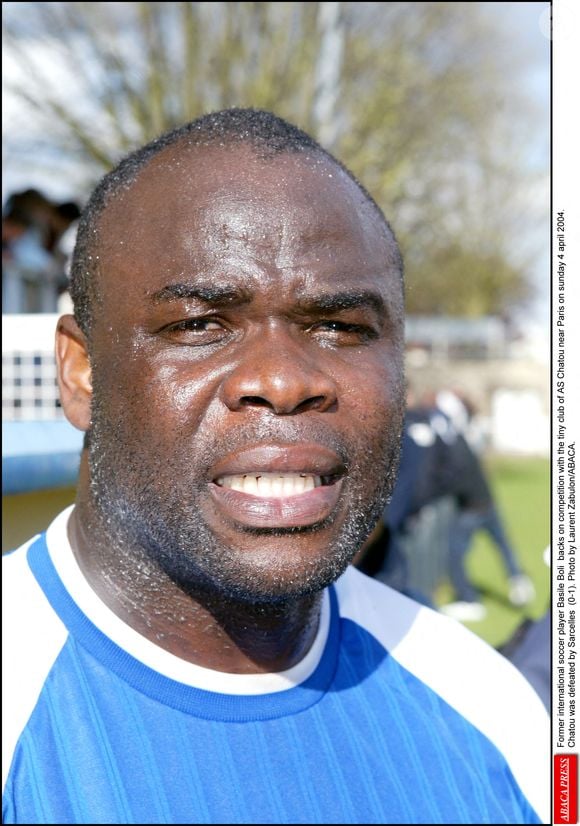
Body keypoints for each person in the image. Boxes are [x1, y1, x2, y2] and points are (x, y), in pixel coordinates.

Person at [2, 109, 548, 824]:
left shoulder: (488, 703)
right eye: (200, 326)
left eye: (341, 327)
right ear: (80, 373)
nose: (285, 381)